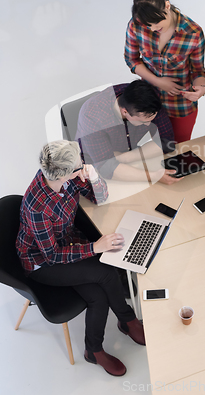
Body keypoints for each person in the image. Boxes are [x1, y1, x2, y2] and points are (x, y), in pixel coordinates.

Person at [16, 140, 145, 377]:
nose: (83, 164)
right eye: (80, 164)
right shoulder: (38, 207)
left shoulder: (66, 176)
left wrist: (94, 177)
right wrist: (95, 247)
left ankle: (96, 347)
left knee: (98, 297)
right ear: (68, 172)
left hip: (66, 243)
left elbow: (100, 198)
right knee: (106, 272)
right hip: (42, 263)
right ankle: (125, 322)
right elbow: (52, 255)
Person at [125, 0, 205, 143]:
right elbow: (132, 60)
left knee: (176, 151)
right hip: (147, 103)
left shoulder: (193, 33)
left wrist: (201, 88)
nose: (153, 29)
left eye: (156, 22)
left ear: (167, 6)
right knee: (139, 149)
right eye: (148, 25)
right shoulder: (136, 25)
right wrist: (158, 81)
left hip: (180, 106)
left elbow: (198, 70)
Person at [76, 80, 181, 185]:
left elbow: (167, 142)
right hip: (90, 168)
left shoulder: (149, 100)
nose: (149, 125)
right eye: (143, 121)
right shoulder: (91, 116)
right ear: (125, 112)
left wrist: (123, 157)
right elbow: (106, 168)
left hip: (125, 160)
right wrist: (154, 176)